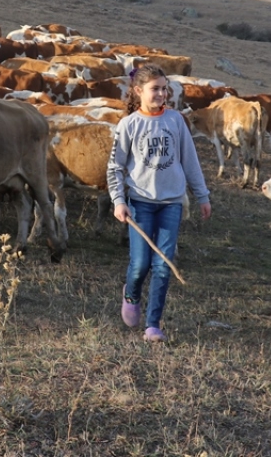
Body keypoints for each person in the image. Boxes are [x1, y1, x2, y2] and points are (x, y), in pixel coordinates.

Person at [108, 64, 212, 342]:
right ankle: (131, 293)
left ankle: (153, 324)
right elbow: (115, 168)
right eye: (155, 89)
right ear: (139, 91)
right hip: (140, 203)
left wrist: (202, 195)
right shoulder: (129, 125)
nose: (162, 94)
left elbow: (190, 160)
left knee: (163, 263)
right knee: (141, 263)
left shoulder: (176, 120)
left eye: (164, 88)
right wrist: (119, 201)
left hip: (171, 203)